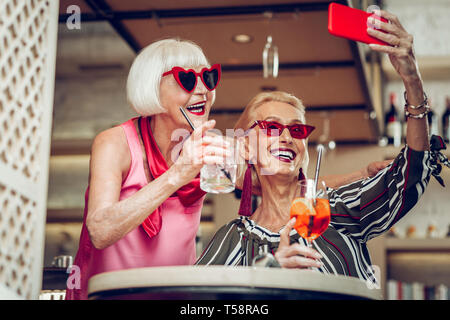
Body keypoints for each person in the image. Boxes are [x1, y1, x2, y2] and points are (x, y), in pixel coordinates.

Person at [65, 38, 391, 300]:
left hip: (173, 295)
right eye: (186, 79)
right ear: (152, 88)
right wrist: (179, 173)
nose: (203, 90)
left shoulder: (212, 149)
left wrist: (361, 175)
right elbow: (100, 231)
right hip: (106, 293)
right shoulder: (115, 143)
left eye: (209, 77)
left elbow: (286, 185)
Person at [196, 10, 449, 285]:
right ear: (245, 148)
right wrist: (268, 274)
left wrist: (412, 79)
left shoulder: (337, 210)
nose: (286, 137)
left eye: (296, 129)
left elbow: (409, 176)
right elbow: (196, 303)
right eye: (271, 127)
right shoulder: (233, 239)